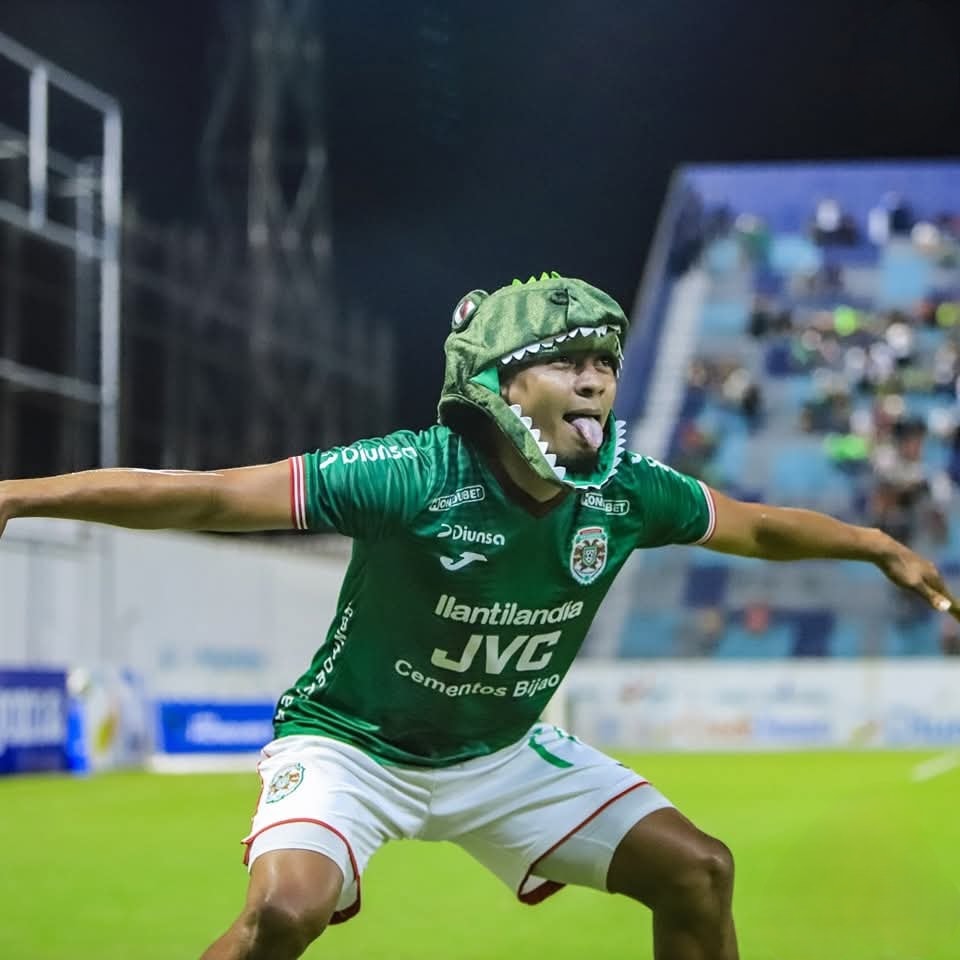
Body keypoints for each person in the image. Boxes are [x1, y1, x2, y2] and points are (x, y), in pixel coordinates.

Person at [1, 273, 957, 960]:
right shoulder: (411, 474)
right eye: (566, 361)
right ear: (501, 384)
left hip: (501, 757)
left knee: (699, 870)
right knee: (283, 916)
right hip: (353, 747)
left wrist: (875, 544)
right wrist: (21, 495)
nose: (595, 379)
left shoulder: (628, 491)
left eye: (604, 363)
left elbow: (757, 528)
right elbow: (209, 495)